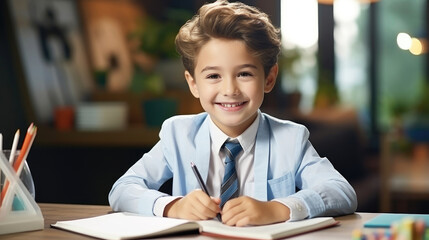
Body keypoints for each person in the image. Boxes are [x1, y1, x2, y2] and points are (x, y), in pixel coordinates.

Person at [109, 0, 357, 227]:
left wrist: (278, 209)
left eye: (244, 74)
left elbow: (341, 192)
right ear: (193, 83)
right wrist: (172, 206)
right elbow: (122, 189)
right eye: (213, 76)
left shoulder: (290, 139)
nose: (229, 90)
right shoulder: (178, 134)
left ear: (269, 79)